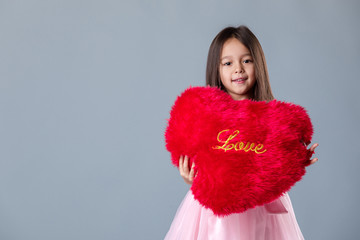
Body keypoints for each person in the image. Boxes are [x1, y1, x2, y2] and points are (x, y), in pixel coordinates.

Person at [164, 25, 319, 240]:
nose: (238, 69)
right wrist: (195, 177)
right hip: (216, 210)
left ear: (259, 64)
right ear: (216, 69)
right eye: (228, 63)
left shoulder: (273, 119)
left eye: (246, 60)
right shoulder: (206, 116)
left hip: (263, 205)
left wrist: (295, 159)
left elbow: (276, 158)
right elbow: (199, 154)